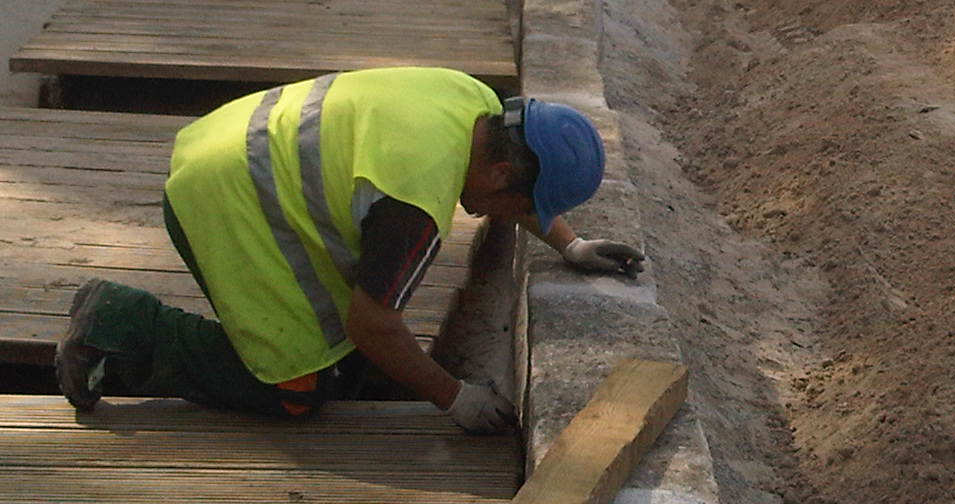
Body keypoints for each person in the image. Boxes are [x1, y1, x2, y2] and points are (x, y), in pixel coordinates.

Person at [54, 66, 643, 433]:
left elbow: (519, 182)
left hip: (231, 144)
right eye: (523, 207)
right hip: (225, 200)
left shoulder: (476, 104)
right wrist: (453, 396)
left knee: (345, 347)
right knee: (293, 392)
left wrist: (571, 243)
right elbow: (372, 323)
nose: (516, 219)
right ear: (496, 174)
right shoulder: (415, 201)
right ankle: (120, 322)